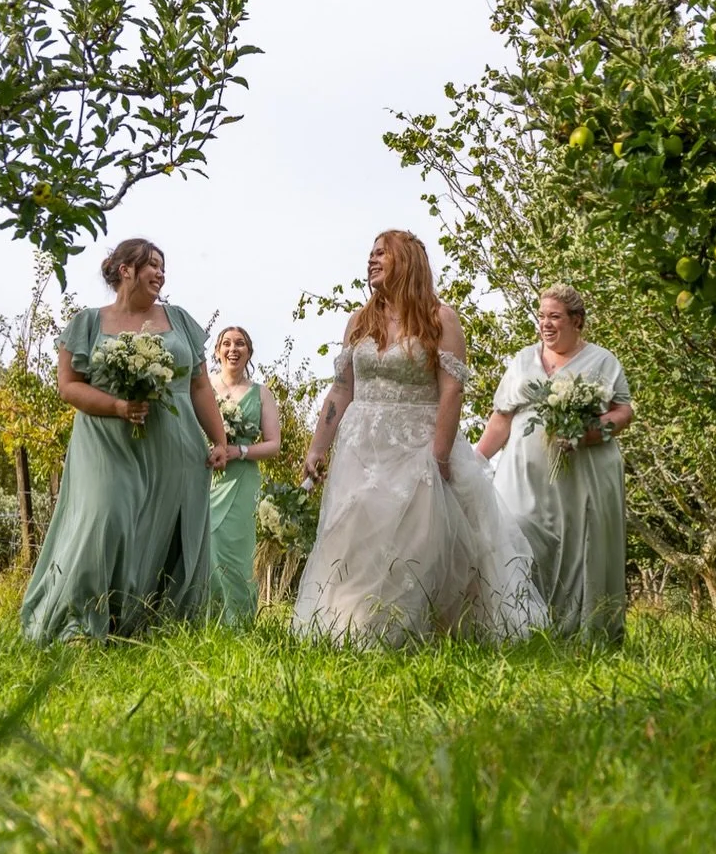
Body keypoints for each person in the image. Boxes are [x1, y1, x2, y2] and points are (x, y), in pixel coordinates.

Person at [293, 230, 545, 646]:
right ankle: (351, 628)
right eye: (370, 254)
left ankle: (415, 631)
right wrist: (318, 446)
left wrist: (440, 455)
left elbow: (451, 389)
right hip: (361, 447)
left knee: (414, 540)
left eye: (382, 254)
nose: (371, 260)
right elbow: (341, 388)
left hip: (419, 444)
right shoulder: (360, 321)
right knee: (357, 536)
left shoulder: (439, 318)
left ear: (406, 260)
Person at [20, 238, 229, 643]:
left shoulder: (180, 320)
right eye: (151, 264)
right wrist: (117, 406)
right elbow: (67, 386)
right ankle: (80, 621)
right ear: (124, 270)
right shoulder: (87, 323)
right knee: (106, 519)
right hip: (106, 442)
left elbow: (200, 385)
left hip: (176, 444)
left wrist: (218, 439)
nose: (160, 273)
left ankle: (154, 623)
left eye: (162, 266)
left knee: (168, 528)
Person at [475, 284, 634, 643]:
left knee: (579, 548)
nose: (545, 324)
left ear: (576, 321)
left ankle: (579, 633)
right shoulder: (522, 360)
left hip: (583, 474)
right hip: (522, 474)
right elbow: (501, 417)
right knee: (515, 533)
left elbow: (623, 412)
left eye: (555, 317)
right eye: (542, 316)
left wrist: (588, 434)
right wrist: (474, 459)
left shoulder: (602, 361)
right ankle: (522, 629)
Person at [207, 325, 282, 623]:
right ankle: (206, 620)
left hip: (242, 479)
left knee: (238, 553)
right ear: (217, 351)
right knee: (207, 548)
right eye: (226, 344)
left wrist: (240, 451)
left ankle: (240, 623)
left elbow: (274, 444)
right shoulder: (204, 388)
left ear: (249, 352)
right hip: (206, 477)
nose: (232, 349)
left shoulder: (261, 393)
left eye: (240, 344)